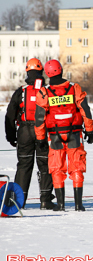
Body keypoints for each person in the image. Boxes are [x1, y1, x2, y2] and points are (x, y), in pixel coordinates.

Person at [34, 59, 93, 212]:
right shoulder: (74, 87)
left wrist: (40, 138)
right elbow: (85, 110)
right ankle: (78, 205)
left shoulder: (44, 92)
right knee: (77, 167)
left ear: (46, 73)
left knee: (56, 169)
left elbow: (39, 118)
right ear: (61, 69)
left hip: (54, 136)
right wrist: (89, 130)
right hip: (74, 134)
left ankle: (60, 205)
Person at [4, 58, 55, 209]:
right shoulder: (47, 91)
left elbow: (10, 114)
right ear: (41, 72)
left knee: (24, 166)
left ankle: (19, 201)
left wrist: (11, 136)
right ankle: (45, 200)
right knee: (45, 165)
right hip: (43, 132)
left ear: (27, 72)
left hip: (24, 132)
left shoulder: (21, 91)